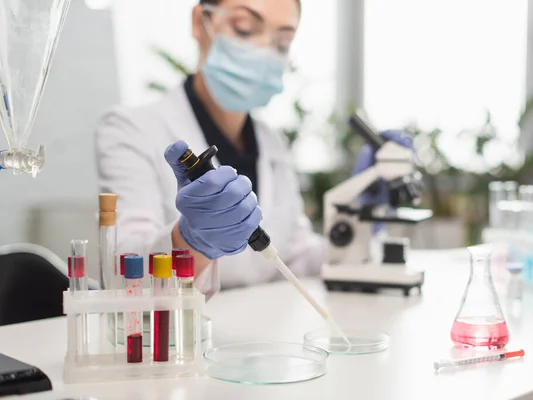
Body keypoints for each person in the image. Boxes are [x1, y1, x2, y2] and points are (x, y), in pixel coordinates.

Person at [95, 0, 409, 292]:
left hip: (263, 336)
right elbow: (125, 270)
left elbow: (295, 257)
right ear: (199, 22)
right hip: (182, 338)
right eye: (244, 28)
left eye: (282, 41)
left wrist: (361, 215)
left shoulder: (272, 143)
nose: (263, 50)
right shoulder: (131, 128)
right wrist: (190, 242)